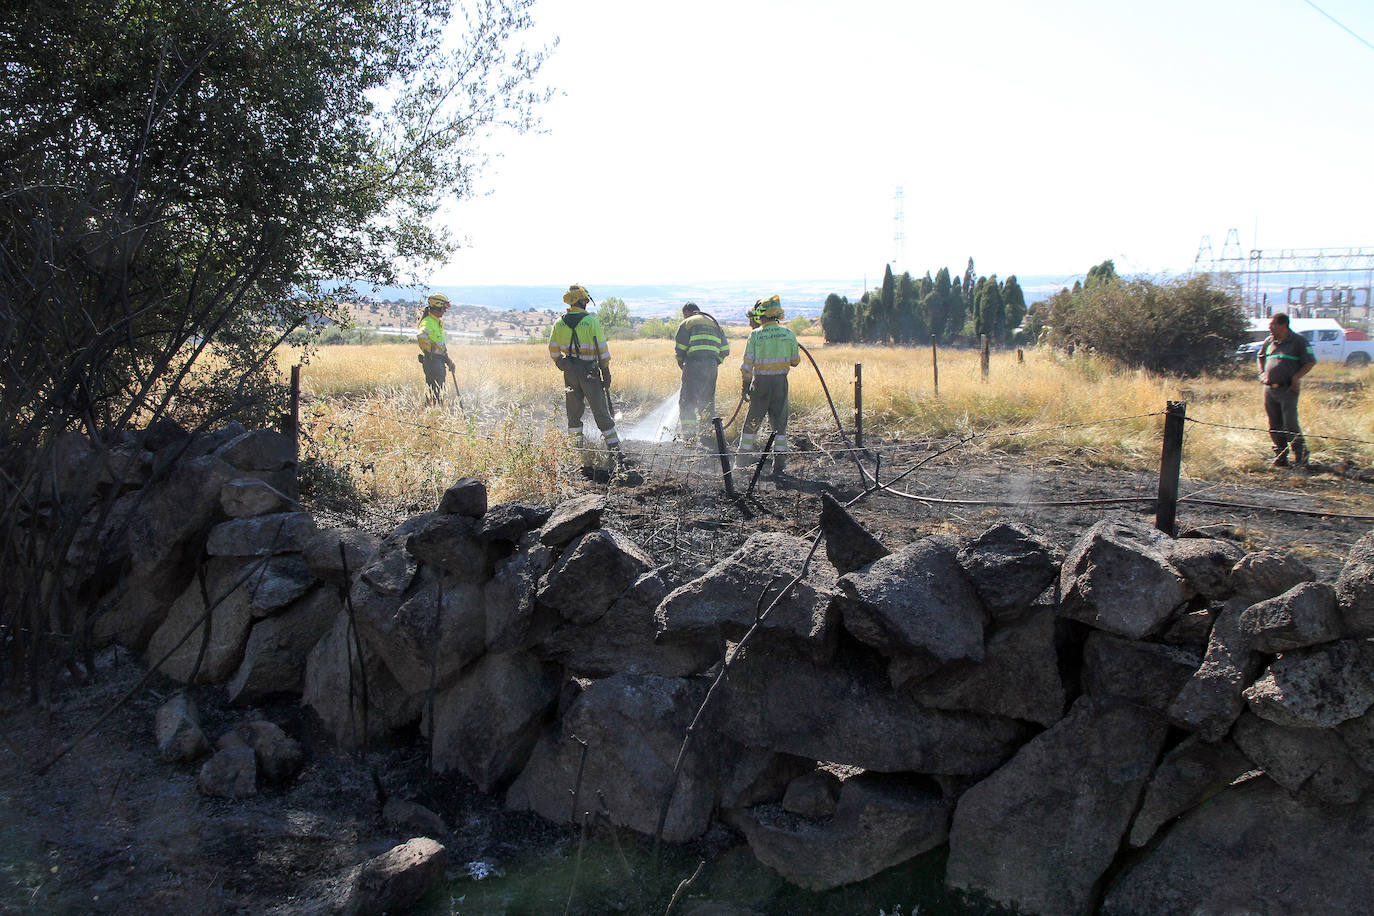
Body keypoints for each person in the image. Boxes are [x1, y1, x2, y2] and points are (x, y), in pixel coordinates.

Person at [547, 284, 626, 464]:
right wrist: (606, 372)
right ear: (581, 301)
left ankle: (576, 452)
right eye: (586, 301)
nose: (587, 304)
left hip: (570, 373)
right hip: (589, 372)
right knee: (601, 412)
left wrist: (562, 363)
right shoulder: (591, 322)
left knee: (573, 413)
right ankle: (615, 452)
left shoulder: (559, 323)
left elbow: (553, 350)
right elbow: (602, 351)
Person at [739, 295, 800, 475]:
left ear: (761, 315)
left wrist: (745, 387)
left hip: (761, 384)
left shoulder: (755, 335)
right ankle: (779, 464)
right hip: (781, 383)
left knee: (752, 422)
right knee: (779, 423)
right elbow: (795, 361)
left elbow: (747, 366)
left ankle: (741, 462)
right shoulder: (789, 334)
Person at [1257, 312, 1316, 467]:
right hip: (1270, 390)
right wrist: (1262, 374)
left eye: (1273, 324)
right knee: (1274, 425)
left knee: (1290, 424)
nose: (1270, 328)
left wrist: (1296, 378)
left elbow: (1310, 362)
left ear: (1284, 325)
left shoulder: (1299, 342)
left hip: (1288, 389)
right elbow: (1261, 357)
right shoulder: (1269, 341)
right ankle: (1281, 456)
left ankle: (1301, 457)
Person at [674, 302, 730, 442]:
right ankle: (705, 435)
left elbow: (680, 348)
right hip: (711, 366)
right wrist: (715, 362)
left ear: (687, 312)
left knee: (687, 400)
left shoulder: (687, 323)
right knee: (707, 401)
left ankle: (689, 436)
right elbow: (725, 350)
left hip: (693, 364)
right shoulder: (715, 324)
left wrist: (682, 363)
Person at [416, 292, 457, 405]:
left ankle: (434, 413)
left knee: (438, 392)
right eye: (444, 308)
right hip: (433, 362)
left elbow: (441, 347)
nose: (445, 311)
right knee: (435, 393)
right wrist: (429, 351)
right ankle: (432, 415)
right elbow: (421, 336)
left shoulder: (436, 322)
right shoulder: (428, 322)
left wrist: (449, 361)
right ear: (438, 307)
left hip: (438, 361)